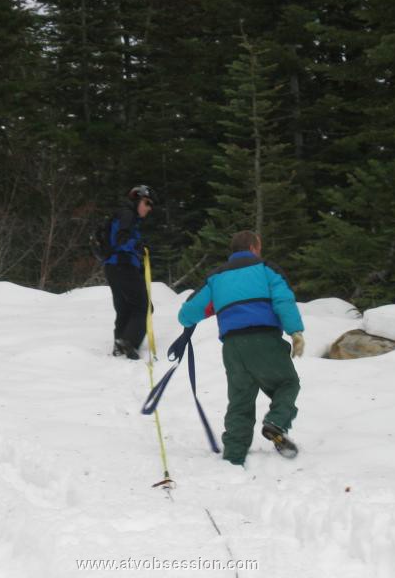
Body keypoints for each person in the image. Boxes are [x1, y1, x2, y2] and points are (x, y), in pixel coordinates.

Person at [178, 230, 305, 465]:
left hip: (233, 347)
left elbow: (188, 313)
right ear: (254, 247)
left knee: (240, 401)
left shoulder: (216, 277)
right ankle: (276, 422)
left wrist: (200, 315)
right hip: (265, 340)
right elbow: (283, 300)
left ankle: (234, 456)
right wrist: (295, 331)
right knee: (287, 383)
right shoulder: (267, 269)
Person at [104, 185, 156, 360]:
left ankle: (120, 344)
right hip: (123, 265)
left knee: (124, 308)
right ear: (137, 200)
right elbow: (121, 239)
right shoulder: (127, 215)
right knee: (144, 307)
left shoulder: (123, 214)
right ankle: (128, 342)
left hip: (113, 267)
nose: (149, 208)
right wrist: (138, 246)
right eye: (147, 203)